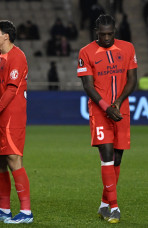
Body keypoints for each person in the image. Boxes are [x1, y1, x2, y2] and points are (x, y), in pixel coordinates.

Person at [77, 14, 137, 224]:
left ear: (115, 31)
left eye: (110, 34)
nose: (107, 38)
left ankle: (103, 204)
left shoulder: (128, 48)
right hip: (99, 112)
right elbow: (88, 86)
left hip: (121, 110)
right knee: (107, 155)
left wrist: (118, 103)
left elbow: (132, 80)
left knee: (118, 159)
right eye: (103, 34)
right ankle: (114, 207)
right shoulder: (86, 52)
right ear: (96, 32)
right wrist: (105, 107)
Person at [0, 20, 33, 224]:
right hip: (0, 117)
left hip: (12, 117)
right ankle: (4, 209)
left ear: (6, 36)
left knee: (13, 159)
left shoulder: (17, 57)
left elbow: (12, 90)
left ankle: (26, 212)